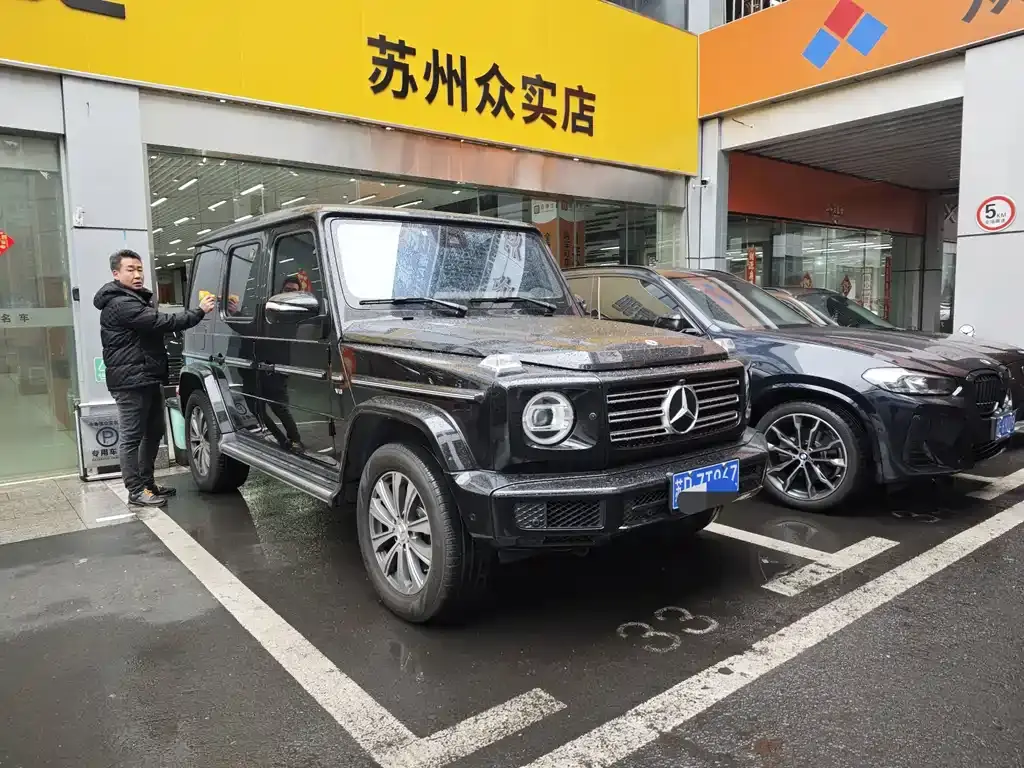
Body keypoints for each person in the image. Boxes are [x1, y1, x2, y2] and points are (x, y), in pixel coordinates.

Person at [94, 250, 215, 507]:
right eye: (130, 270)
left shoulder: (134, 299)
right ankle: (135, 490)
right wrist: (199, 312)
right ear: (116, 273)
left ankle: (147, 484)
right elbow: (161, 322)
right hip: (130, 381)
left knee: (154, 431)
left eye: (139, 269)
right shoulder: (120, 303)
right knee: (131, 437)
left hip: (146, 377)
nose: (137, 275)